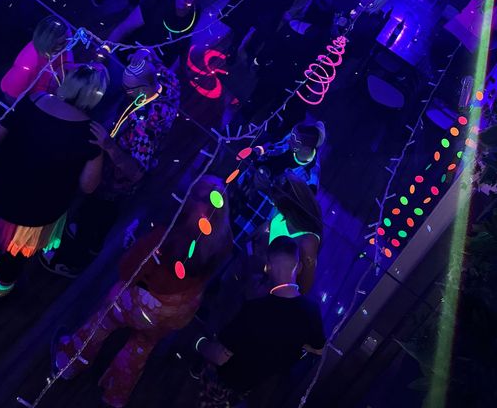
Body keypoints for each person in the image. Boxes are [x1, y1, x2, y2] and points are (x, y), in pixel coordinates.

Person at [52, 176, 232, 408]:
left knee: (103, 322)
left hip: (143, 304)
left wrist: (133, 243)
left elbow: (128, 269)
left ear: (194, 200)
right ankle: (115, 395)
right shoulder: (224, 241)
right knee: (143, 345)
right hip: (178, 312)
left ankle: (68, 362)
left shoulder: (168, 236)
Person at [0, 65, 108, 297]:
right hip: (40, 210)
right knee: (15, 259)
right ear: (97, 96)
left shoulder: (35, 100)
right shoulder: (92, 134)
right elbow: (88, 186)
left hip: (3, 190)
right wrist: (101, 151)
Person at [42, 50, 179, 277]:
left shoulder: (145, 127)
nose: (124, 92)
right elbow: (155, 61)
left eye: (127, 89)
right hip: (108, 176)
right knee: (94, 216)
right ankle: (90, 240)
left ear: (139, 91)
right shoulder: (168, 83)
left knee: (95, 218)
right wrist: (145, 53)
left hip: (115, 185)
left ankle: (73, 261)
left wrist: (109, 145)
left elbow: (136, 173)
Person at [197, 236, 326, 407]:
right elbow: (319, 349)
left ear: (269, 267)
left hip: (226, 392)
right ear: (299, 267)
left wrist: (199, 343)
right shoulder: (311, 310)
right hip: (260, 397)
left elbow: (221, 356)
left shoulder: (255, 309)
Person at [108, 0, 203, 65]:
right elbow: (123, 28)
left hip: (157, 70)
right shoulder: (155, 3)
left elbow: (183, 44)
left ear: (195, 1)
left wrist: (175, 69)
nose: (183, 1)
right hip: (128, 57)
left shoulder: (194, 14)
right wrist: (105, 49)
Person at [0, 16, 73, 105]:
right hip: (17, 99)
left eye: (69, 39)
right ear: (49, 43)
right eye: (63, 42)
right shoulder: (28, 66)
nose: (69, 43)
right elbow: (12, 98)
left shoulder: (59, 48)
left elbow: (65, 65)